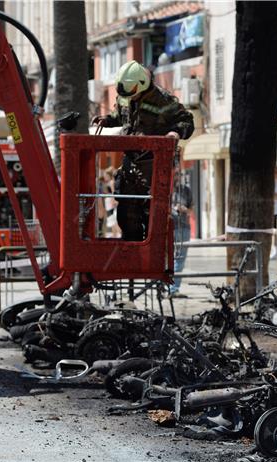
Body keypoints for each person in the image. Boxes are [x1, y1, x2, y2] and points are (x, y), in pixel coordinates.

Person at [92, 60, 194, 241]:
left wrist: (174, 132)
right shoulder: (125, 95)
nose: (129, 97)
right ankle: (131, 257)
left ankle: (151, 260)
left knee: (153, 215)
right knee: (126, 215)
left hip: (153, 164)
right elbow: (120, 117)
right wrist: (107, 120)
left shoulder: (164, 100)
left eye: (131, 93)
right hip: (130, 163)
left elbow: (187, 121)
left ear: (142, 85)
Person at [169, 172, 192, 297]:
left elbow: (191, 210)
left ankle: (174, 289)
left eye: (178, 174)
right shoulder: (165, 189)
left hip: (183, 228)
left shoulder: (186, 190)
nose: (176, 176)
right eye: (175, 174)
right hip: (169, 228)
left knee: (180, 259)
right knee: (167, 259)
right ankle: (166, 287)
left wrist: (184, 209)